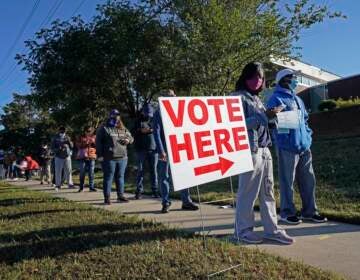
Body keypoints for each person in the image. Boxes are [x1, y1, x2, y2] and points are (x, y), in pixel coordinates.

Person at [231, 62, 294, 245]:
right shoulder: (237, 97)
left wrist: (273, 118)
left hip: (265, 149)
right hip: (250, 150)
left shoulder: (257, 99)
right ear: (245, 77)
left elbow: (262, 122)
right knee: (247, 193)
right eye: (253, 76)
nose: (257, 81)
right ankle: (242, 230)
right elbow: (237, 125)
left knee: (268, 191)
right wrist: (264, 116)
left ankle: (272, 229)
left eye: (260, 77)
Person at [267, 69, 327, 224]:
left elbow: (305, 120)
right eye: (292, 77)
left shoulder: (298, 99)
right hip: (287, 147)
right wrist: (284, 140)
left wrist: (308, 136)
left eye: (295, 77)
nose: (295, 80)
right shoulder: (275, 98)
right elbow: (272, 123)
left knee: (309, 181)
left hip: (304, 147)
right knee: (287, 182)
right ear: (283, 80)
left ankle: (310, 211)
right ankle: (287, 213)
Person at [153, 89, 199, 213]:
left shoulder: (180, 110)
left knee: (184, 174)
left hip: (179, 147)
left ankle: (186, 201)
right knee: (164, 176)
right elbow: (156, 133)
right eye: (170, 97)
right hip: (165, 150)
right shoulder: (159, 113)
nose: (173, 98)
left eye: (174, 96)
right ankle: (166, 202)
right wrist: (161, 150)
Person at [96, 109, 134, 205]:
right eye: (114, 115)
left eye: (117, 115)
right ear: (110, 115)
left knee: (120, 177)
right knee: (108, 177)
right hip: (109, 158)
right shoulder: (104, 128)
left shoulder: (122, 128)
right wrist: (99, 155)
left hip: (123, 157)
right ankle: (107, 197)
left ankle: (120, 196)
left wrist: (127, 140)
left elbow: (131, 137)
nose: (116, 116)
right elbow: (98, 143)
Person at [133, 103, 159, 199]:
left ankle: (155, 190)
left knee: (154, 171)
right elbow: (132, 133)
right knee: (140, 170)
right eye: (146, 113)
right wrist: (140, 130)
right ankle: (139, 191)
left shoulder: (154, 120)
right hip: (140, 150)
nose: (148, 115)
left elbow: (159, 131)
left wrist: (152, 129)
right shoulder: (137, 121)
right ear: (143, 112)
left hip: (153, 149)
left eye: (150, 113)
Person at [51, 126, 75, 191]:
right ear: (59, 130)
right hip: (58, 157)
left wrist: (69, 142)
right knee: (58, 171)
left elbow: (72, 146)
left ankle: (70, 184)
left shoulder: (67, 137)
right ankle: (58, 185)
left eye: (64, 130)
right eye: (61, 130)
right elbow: (52, 148)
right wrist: (59, 148)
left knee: (69, 171)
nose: (63, 131)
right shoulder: (55, 138)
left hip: (67, 156)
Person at [75, 126, 97, 192]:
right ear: (84, 131)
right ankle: (81, 187)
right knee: (82, 172)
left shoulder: (94, 137)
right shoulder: (80, 137)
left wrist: (94, 142)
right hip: (82, 156)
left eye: (90, 131)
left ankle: (91, 187)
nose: (88, 132)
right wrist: (84, 143)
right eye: (87, 131)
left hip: (91, 156)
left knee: (91, 172)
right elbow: (77, 145)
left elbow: (98, 145)